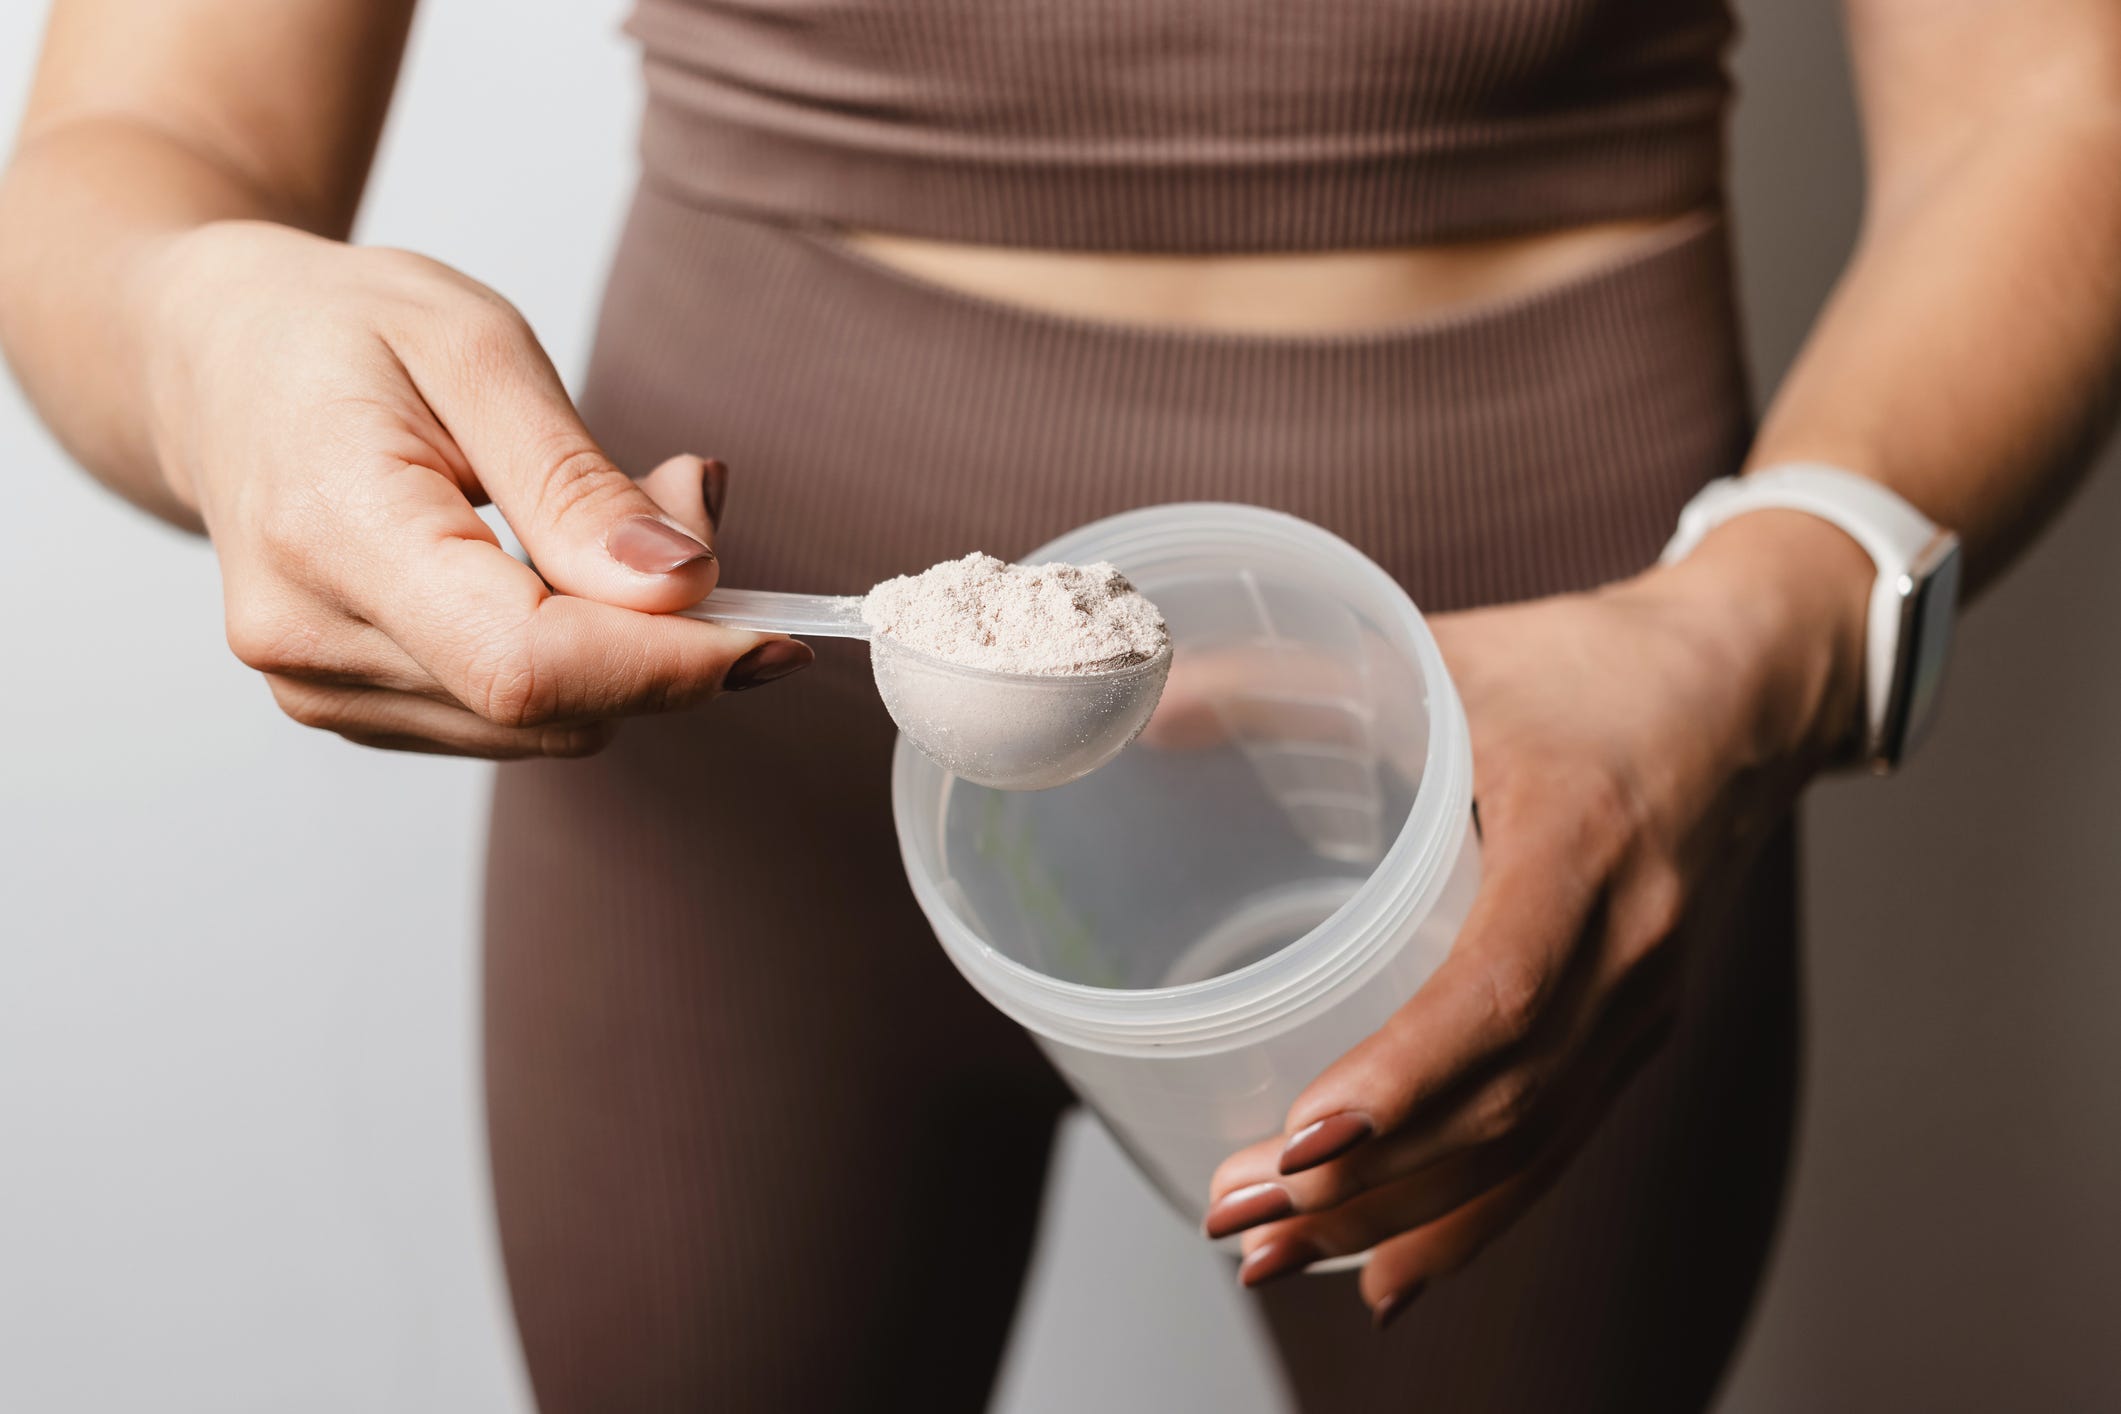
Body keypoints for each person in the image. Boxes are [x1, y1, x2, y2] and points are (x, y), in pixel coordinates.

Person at [2, 1, 2116, 1409]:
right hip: (723, 776)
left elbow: (2049, 97)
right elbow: (136, 138)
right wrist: (207, 336)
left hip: (1553, 767)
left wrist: (1744, 634)